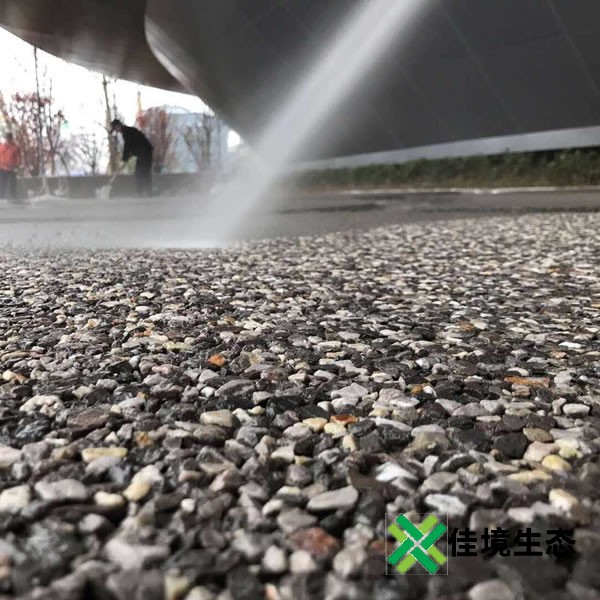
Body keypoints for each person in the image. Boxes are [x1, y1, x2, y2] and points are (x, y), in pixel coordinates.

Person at [110, 119, 154, 197]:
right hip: (145, 152)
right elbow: (132, 147)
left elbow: (128, 146)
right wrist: (126, 158)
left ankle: (141, 193)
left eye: (115, 129)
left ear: (118, 126)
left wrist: (124, 160)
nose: (116, 131)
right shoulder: (128, 131)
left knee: (139, 173)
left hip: (144, 153)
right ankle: (147, 193)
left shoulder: (127, 132)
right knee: (144, 173)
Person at [0, 133, 21, 201]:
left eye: (9, 138)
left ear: (11, 139)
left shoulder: (15, 147)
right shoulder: (1, 147)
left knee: (13, 184)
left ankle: (13, 198)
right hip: (2, 169)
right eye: (7, 138)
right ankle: (1, 198)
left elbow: (18, 158)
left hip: (12, 169)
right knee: (2, 184)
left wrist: (16, 166)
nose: (8, 139)